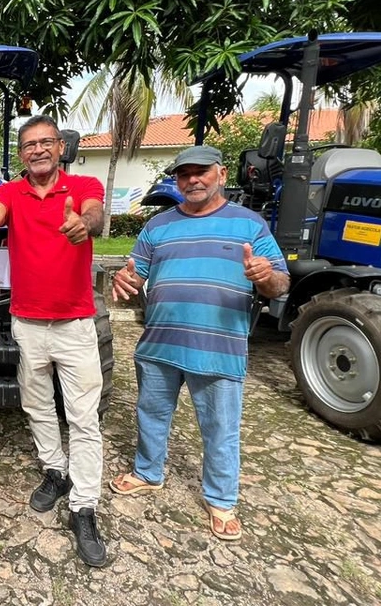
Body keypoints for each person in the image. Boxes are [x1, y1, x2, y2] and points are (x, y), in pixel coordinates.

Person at [109, 144, 289, 542]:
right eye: (184, 173)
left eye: (201, 172)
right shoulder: (157, 226)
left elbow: (280, 284)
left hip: (219, 347)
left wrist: (264, 276)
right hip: (160, 342)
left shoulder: (250, 225)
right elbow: (134, 274)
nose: (192, 180)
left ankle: (221, 499)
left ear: (221, 175)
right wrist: (124, 281)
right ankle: (147, 473)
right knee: (151, 414)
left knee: (220, 427)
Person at [0, 115, 109, 568]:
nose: (38, 150)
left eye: (46, 142)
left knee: (84, 417)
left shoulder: (84, 185)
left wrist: (84, 225)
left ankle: (84, 507)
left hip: (74, 323)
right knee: (36, 404)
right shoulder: (11, 191)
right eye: (29, 145)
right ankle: (56, 470)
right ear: (21, 153)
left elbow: (95, 214)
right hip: (27, 321)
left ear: (60, 146)